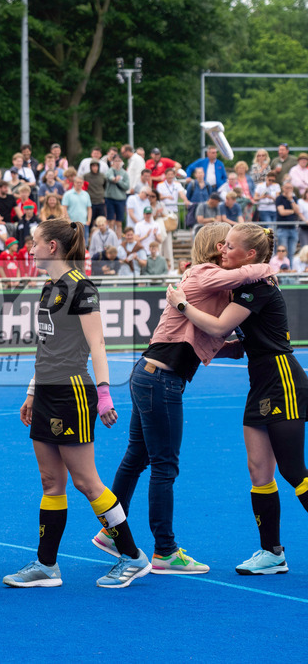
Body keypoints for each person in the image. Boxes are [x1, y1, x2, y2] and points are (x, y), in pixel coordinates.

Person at [99, 224, 272, 575]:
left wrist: (234, 348)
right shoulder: (206, 274)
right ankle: (165, 550)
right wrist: (270, 265)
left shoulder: (205, 282)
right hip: (160, 380)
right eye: (225, 245)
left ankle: (110, 532)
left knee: (137, 457)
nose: (228, 251)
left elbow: (194, 338)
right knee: (164, 465)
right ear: (214, 247)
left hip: (150, 374)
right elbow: (253, 270)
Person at [4, 219, 151, 589]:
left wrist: (104, 394)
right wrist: (32, 390)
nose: (30, 247)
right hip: (47, 391)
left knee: (86, 481)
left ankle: (132, 557)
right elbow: (45, 346)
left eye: (35, 242)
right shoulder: (47, 288)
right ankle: (47, 566)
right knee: (50, 480)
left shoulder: (81, 288)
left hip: (72, 390)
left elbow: (97, 345)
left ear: (53, 246)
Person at [167, 223, 308, 575]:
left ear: (250, 256)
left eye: (230, 247)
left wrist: (181, 304)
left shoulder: (257, 289)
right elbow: (244, 339)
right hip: (260, 380)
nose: (223, 250)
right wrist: (225, 349)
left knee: (293, 470)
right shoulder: (242, 287)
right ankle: (272, 553)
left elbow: (217, 326)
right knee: (259, 470)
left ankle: (272, 552)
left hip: (282, 380)